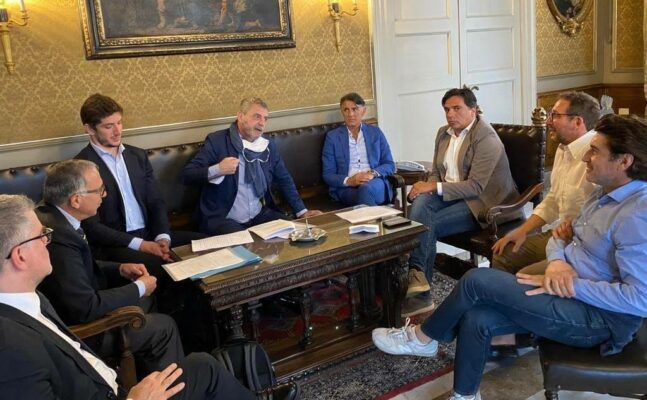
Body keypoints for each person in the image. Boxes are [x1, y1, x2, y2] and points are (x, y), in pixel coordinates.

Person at [371, 115, 647, 400]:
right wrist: (557, 263)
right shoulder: (602, 194)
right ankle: (464, 396)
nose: (586, 157)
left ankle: (423, 337)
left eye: (595, 151)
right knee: (477, 318)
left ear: (624, 161)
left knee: (476, 280)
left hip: (599, 319)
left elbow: (640, 299)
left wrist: (572, 285)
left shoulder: (637, 214)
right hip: (570, 292)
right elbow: (560, 236)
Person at [0, 194, 299, 400]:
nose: (49, 241)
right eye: (42, 235)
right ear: (20, 256)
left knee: (202, 364)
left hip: (113, 385)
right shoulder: (10, 347)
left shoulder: (28, 298)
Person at [36, 159, 182, 377]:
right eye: (99, 190)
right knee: (165, 326)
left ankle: (144, 374)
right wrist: (140, 287)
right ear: (76, 200)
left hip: (80, 305)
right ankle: (168, 387)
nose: (104, 195)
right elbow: (85, 307)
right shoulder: (59, 238)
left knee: (149, 301)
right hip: (83, 333)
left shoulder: (54, 217)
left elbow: (79, 269)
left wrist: (120, 268)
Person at [402, 87, 519, 317]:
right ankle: (419, 279)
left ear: (473, 110)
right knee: (420, 205)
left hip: (484, 204)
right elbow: (436, 172)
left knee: (426, 222)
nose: (450, 114)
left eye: (457, 109)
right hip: (453, 195)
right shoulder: (443, 133)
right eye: (447, 109)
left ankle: (419, 290)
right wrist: (427, 190)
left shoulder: (485, 137)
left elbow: (475, 187)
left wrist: (431, 187)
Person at [74, 93, 205, 274]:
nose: (117, 131)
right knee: (164, 267)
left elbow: (155, 201)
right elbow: (92, 227)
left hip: (151, 233)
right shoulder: (80, 167)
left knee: (207, 244)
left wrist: (163, 237)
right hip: (115, 244)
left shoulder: (137, 156)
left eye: (119, 123)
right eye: (108, 126)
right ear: (89, 129)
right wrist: (141, 245)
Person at [491, 91, 600, 273]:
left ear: (577, 121)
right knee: (504, 252)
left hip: (586, 247)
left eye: (555, 115)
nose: (548, 121)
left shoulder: (599, 157)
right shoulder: (563, 149)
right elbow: (553, 200)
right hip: (562, 235)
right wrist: (522, 230)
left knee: (524, 275)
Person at [183, 97, 322, 235]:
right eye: (257, 117)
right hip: (224, 218)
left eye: (265, 119)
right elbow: (188, 174)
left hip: (259, 214)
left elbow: (284, 178)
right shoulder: (217, 141)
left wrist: (301, 211)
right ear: (240, 116)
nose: (262, 123)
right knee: (245, 243)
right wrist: (218, 169)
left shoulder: (267, 145)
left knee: (295, 232)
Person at [321, 93, 396, 207]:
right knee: (363, 193)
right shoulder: (333, 137)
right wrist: (350, 180)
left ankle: (371, 215)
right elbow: (328, 174)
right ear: (342, 112)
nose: (350, 114)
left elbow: (390, 164)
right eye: (346, 110)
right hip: (347, 189)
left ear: (363, 111)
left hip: (375, 183)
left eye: (354, 109)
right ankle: (384, 216)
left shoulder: (375, 133)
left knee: (365, 190)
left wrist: (372, 174)